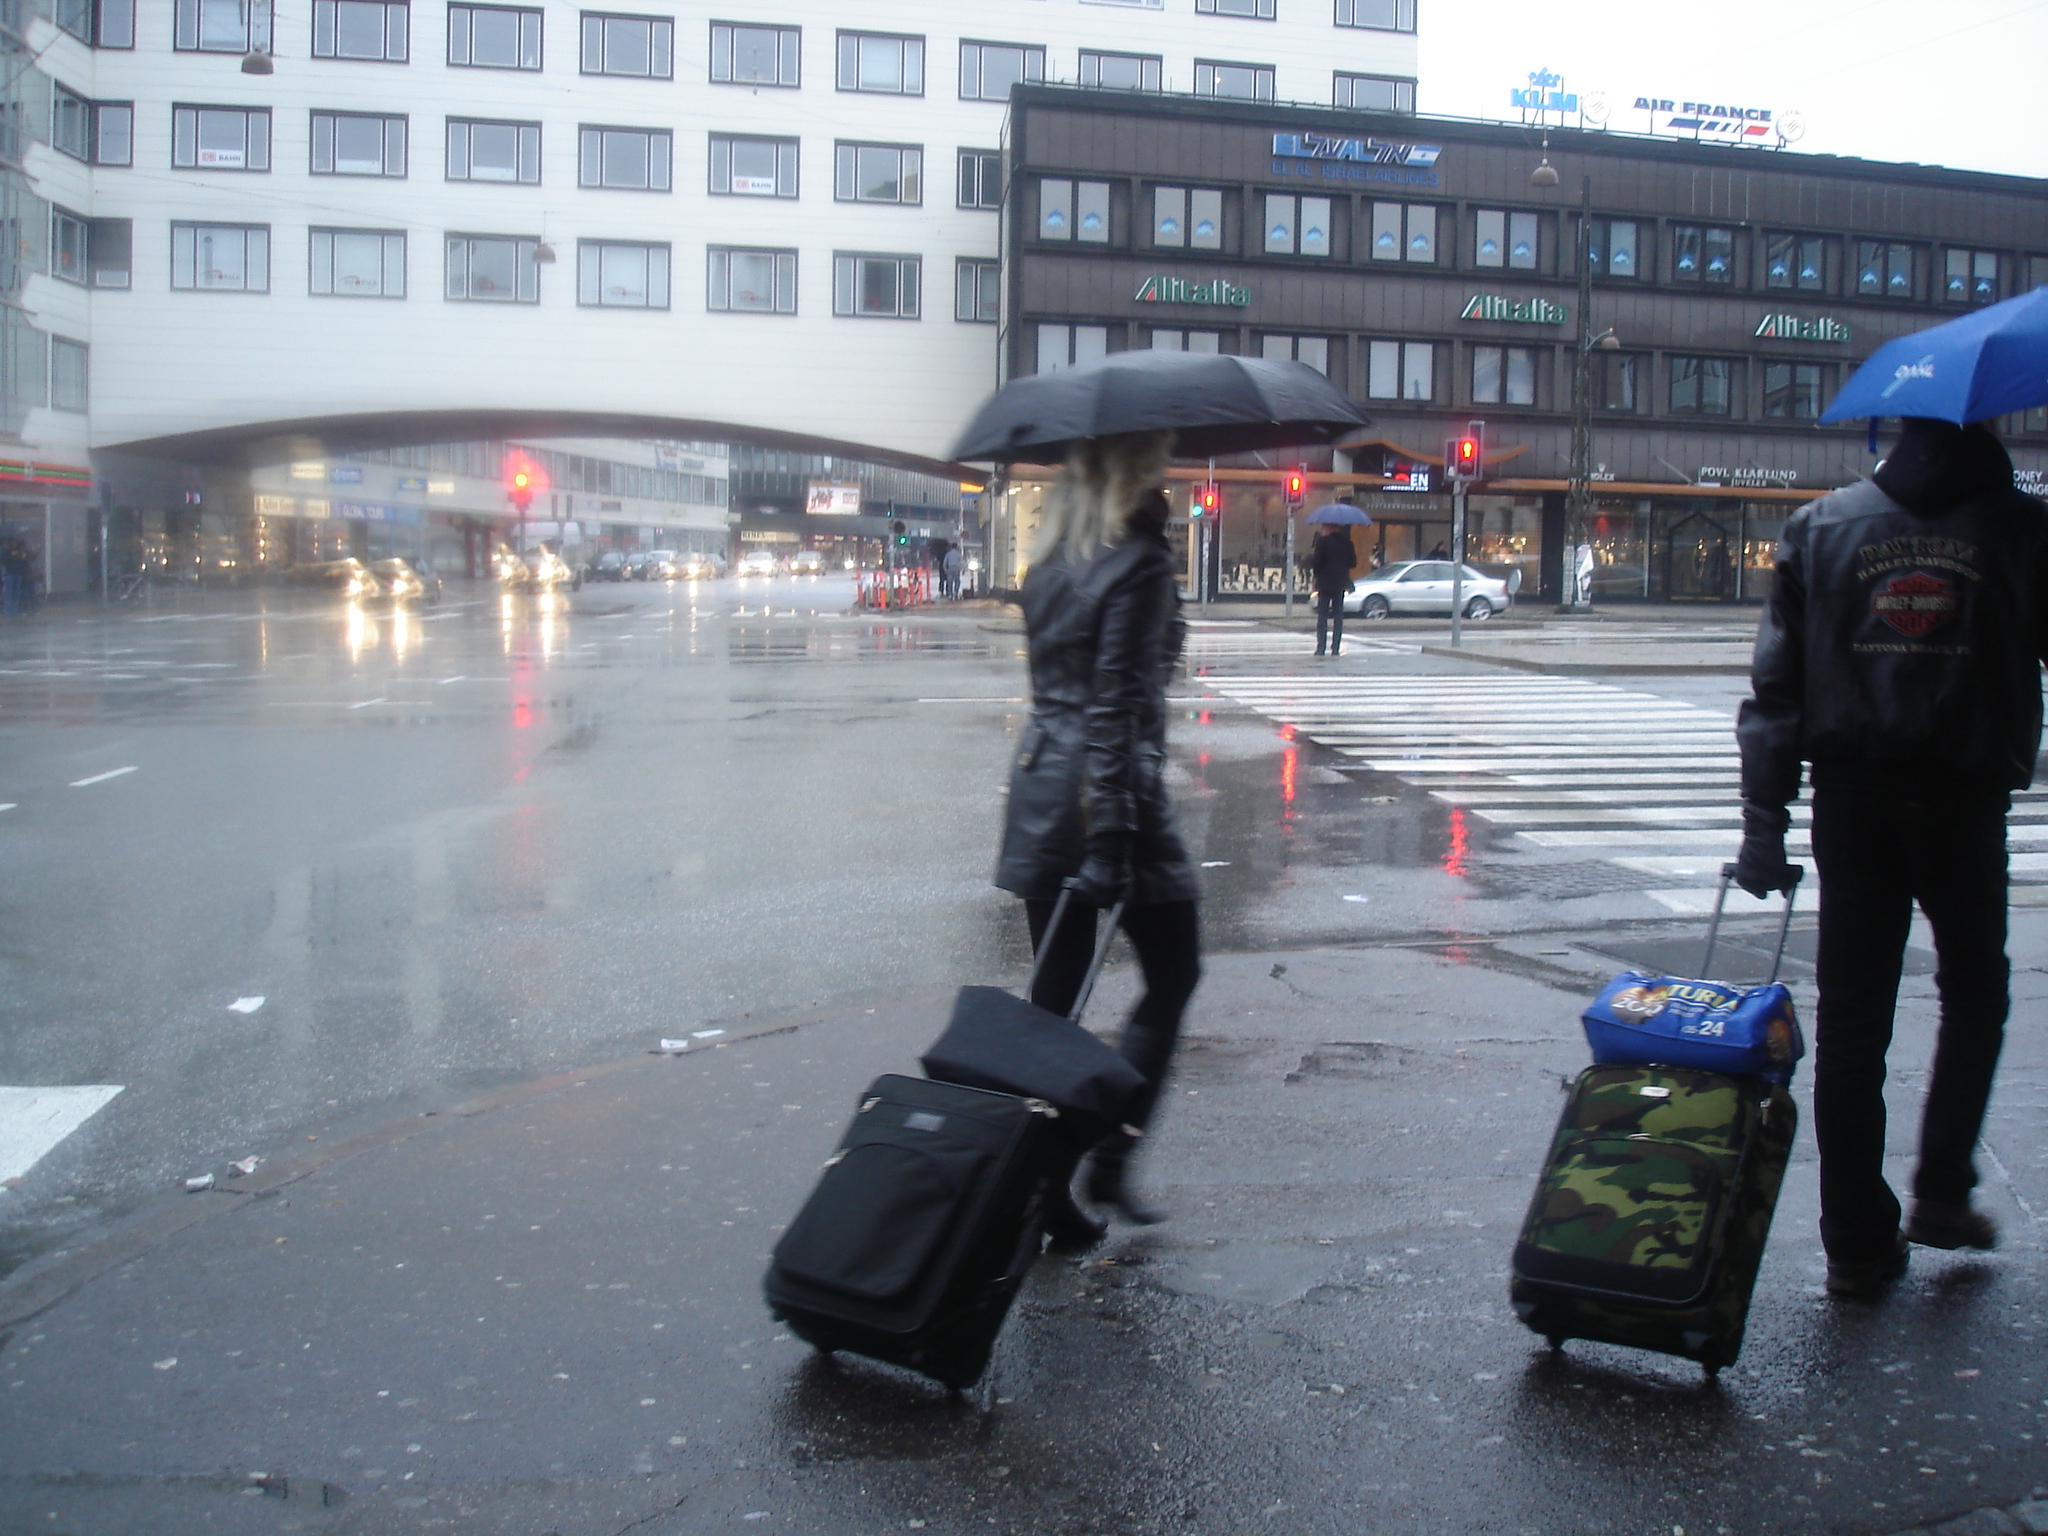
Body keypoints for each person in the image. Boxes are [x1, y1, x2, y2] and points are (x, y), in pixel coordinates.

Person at [1735, 416, 2048, 1299]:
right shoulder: (2021, 528)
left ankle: (1857, 1242)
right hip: (1964, 798)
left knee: (1853, 1022)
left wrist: (1766, 819)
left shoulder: (1825, 525)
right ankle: (1942, 1190)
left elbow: (1777, 684)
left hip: (1853, 799)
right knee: (1976, 993)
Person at [995, 429, 1202, 1248]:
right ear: (1132, 473)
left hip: (1044, 784)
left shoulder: (1049, 562)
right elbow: (1119, 708)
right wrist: (1115, 838)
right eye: (1155, 463)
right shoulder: (1138, 560)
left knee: (1056, 1005)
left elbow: (1082, 685)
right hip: (1111, 799)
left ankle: (1042, 1186)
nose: (1166, 475)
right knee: (1174, 973)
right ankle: (1107, 1154)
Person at [1310, 521, 1358, 656]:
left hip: (1325, 583)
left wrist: (1316, 579)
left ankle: (1321, 648)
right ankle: (1335, 648)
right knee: (1338, 616)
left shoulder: (1322, 542)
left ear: (1328, 527)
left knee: (1322, 617)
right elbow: (1353, 563)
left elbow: (1316, 564)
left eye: (1324, 526)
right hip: (1340, 583)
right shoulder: (1347, 543)